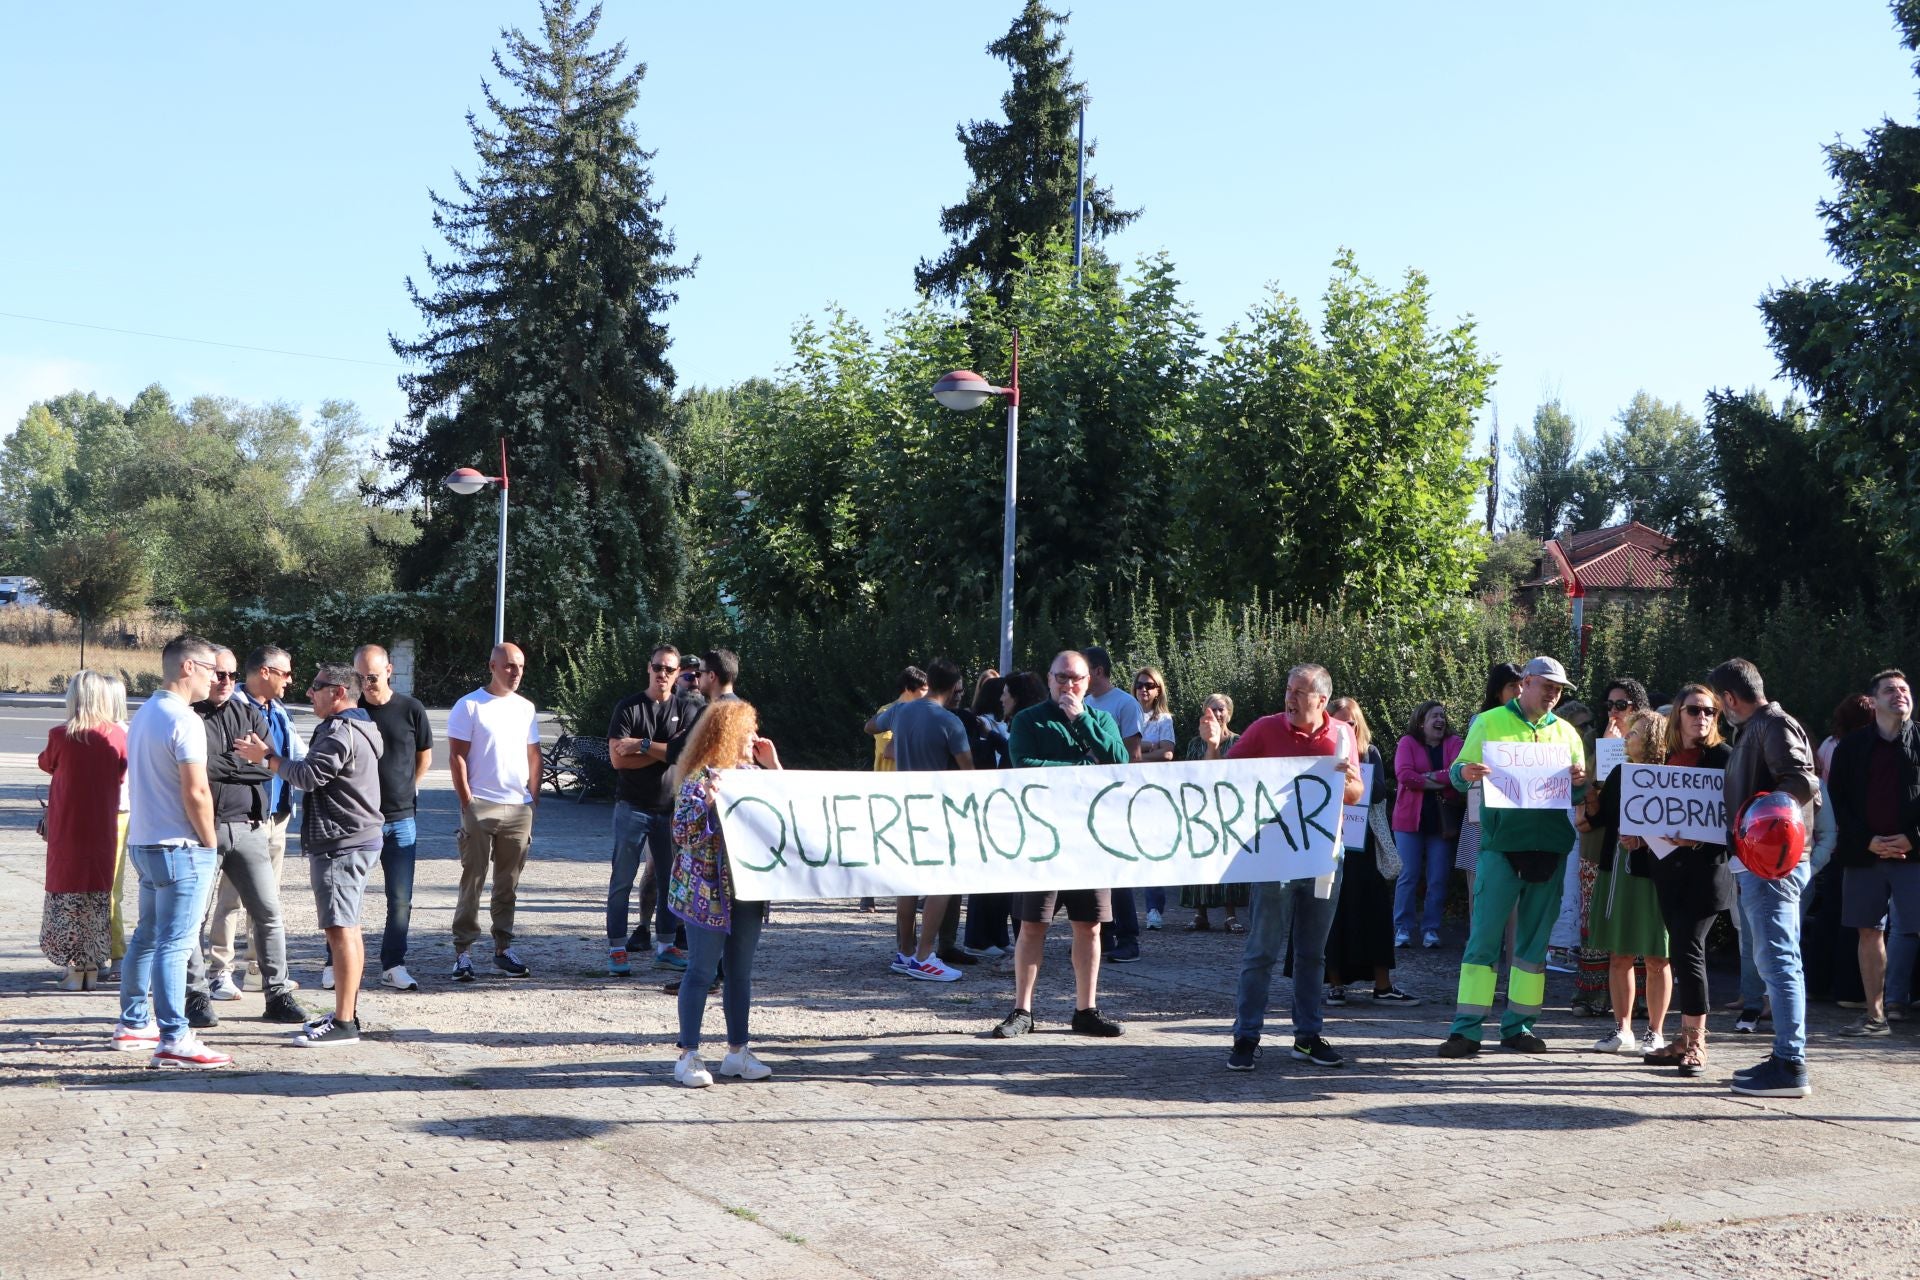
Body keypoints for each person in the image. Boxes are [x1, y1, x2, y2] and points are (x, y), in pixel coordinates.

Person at [1438, 656, 1589, 1059]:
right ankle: (1465, 1031)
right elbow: (1456, 772)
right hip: (1502, 848)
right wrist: (1465, 772)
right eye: (1548, 686)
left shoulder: (1568, 734)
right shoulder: (1488, 722)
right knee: (1483, 941)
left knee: (1533, 948)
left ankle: (1519, 1027)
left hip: (1551, 849)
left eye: (1559, 690)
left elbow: (1575, 795)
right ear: (1525, 683)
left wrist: (1579, 783)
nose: (1554, 695)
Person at [1224, 664, 1364, 1071]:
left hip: (1324, 858)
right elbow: (1225, 777)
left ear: (1321, 700)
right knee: (1262, 950)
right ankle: (1246, 1037)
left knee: (1312, 953)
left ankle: (1307, 1036)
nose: (1289, 697)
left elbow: (1355, 794)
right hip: (1274, 857)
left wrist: (1348, 780)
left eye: (1299, 692)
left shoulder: (1342, 734)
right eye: (1288, 689)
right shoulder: (1264, 729)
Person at [237, 662, 385, 1047]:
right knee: (347, 928)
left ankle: (344, 1023)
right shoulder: (360, 726)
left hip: (341, 842)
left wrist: (267, 757)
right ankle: (345, 1012)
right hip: (353, 839)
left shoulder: (340, 731)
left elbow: (307, 776)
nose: (309, 692)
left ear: (338, 692)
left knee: (340, 931)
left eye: (317, 686)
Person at [993, 650, 1129, 1039]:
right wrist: (1084, 771)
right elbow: (1024, 766)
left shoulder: (1100, 719)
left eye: (1076, 679)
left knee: (1089, 927)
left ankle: (1086, 1010)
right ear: (1049, 679)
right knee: (1032, 925)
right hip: (1042, 840)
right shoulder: (1028, 719)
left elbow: (1118, 764)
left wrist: (1080, 720)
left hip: (1090, 840)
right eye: (1061, 678)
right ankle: (1023, 1010)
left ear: (1090, 682)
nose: (1068, 685)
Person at [116, 633, 228, 1069]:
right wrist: (210, 840)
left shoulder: (145, 713)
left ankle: (133, 1022)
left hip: (146, 842)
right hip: (180, 846)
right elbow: (197, 790)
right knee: (174, 944)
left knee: (147, 936)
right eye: (211, 670)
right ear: (188, 668)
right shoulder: (185, 720)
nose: (216, 679)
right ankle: (174, 1035)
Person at [1710, 657, 1819, 1098]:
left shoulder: (1773, 725)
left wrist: (1762, 826)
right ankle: (1784, 1056)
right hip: (1767, 860)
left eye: (1719, 703)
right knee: (1777, 960)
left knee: (1778, 962)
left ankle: (1791, 1065)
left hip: (1772, 863)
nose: (1720, 711)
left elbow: (1801, 782)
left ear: (1731, 699)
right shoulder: (1761, 728)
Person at [183, 647, 304, 1029]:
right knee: (194, 917)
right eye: (218, 674)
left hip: (251, 826)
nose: (224, 682)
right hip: (202, 828)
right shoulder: (188, 717)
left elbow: (268, 769)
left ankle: (278, 993)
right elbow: (197, 769)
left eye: (231, 676)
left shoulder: (249, 713)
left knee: (268, 912)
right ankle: (197, 994)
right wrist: (242, 763)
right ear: (203, 673)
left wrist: (236, 765)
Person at [668, 699, 782, 1087]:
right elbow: (682, 836)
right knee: (701, 970)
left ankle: (738, 1052)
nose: (755, 736)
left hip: (746, 888)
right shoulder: (698, 780)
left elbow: (791, 815)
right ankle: (688, 1055)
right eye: (748, 730)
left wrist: (775, 767)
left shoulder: (755, 776)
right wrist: (711, 804)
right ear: (728, 734)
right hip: (705, 889)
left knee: (740, 973)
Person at [1639, 684, 1736, 1076]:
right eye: (1695, 710)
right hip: (1667, 870)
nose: (1703, 718)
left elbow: (1738, 818)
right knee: (1679, 952)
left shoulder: (1725, 758)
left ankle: (1696, 1042)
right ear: (1677, 713)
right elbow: (1643, 808)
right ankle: (1684, 1037)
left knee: (1688, 948)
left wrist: (1703, 835)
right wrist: (1635, 831)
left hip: (1706, 872)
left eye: (1710, 712)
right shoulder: (1660, 759)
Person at [866, 658, 973, 982]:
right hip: (935, 809)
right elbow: (970, 772)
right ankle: (925, 957)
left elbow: (871, 726)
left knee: (907, 882)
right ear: (954, 687)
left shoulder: (900, 710)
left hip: (902, 806)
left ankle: (906, 952)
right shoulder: (950, 722)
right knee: (943, 881)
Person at [1828, 669, 1920, 1038]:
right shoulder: (1852, 747)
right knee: (1870, 932)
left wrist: (1913, 838)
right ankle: (1875, 1016)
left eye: (1904, 689)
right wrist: (1867, 840)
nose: (1899, 694)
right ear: (1875, 699)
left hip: (1914, 856)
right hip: (1864, 855)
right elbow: (1838, 801)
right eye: (1890, 690)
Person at [447, 643, 543, 982]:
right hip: (481, 805)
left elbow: (533, 754)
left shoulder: (526, 708)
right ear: (492, 666)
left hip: (518, 807)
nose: (515, 672)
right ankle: (463, 952)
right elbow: (457, 756)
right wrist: (467, 801)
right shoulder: (470, 705)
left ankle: (503, 949)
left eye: (520, 666)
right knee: (472, 880)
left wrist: (533, 796)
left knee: (508, 884)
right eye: (508, 666)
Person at [211, 645, 302, 994]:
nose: (290, 681)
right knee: (231, 898)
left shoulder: (278, 711)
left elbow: (294, 758)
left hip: (277, 815)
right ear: (264, 672)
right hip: (245, 817)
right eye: (285, 673)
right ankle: (221, 971)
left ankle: (257, 969)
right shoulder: (233, 708)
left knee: (267, 900)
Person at [606, 644, 701, 976]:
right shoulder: (629, 708)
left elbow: (683, 755)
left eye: (670, 669)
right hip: (631, 807)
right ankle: (617, 949)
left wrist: (641, 745)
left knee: (669, 880)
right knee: (622, 879)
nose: (663, 674)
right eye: (658, 667)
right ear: (648, 668)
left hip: (669, 809)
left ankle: (666, 946)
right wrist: (665, 751)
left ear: (678, 674)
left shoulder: (687, 709)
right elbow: (618, 758)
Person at [1583, 710, 1673, 1056]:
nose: (1626, 739)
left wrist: (1646, 838)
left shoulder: (1672, 774)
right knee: (1619, 954)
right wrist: (1587, 793)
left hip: (1655, 875)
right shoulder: (1620, 773)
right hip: (1617, 871)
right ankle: (1622, 1030)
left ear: (1650, 738)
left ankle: (1656, 1032)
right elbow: (1598, 820)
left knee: (1658, 956)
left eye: (1633, 733)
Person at [1323, 697, 1418, 1006]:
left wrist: (1351, 773)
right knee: (1331, 916)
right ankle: (1335, 985)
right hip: (1328, 846)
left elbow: (1377, 791)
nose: (1347, 727)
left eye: (1352, 722)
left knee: (1375, 914)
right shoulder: (1319, 753)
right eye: (1341, 722)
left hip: (1365, 848)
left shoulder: (1370, 753)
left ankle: (1383, 986)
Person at [352, 644, 434, 992]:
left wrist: (409, 788)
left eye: (372, 676)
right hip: (358, 820)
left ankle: (393, 964)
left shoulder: (411, 709)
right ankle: (335, 962)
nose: (367, 683)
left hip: (401, 820)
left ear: (389, 671)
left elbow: (424, 756)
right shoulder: (351, 712)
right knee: (348, 894)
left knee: (400, 898)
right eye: (359, 677)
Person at [38, 670, 128, 990]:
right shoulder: (117, 736)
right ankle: (92, 964)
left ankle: (74, 970)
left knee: (69, 895)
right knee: (97, 895)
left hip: (68, 828)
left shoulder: (61, 735)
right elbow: (122, 769)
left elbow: (46, 763)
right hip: (103, 826)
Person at [963, 673, 1045, 958]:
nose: (1001, 698)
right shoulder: (1018, 723)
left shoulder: (1025, 723)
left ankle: (1002, 938)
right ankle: (986, 938)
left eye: (1006, 692)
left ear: (1018, 696)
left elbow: (1016, 759)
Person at [1083, 647, 1147, 963]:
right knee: (1094, 871)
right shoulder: (1083, 703)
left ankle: (1128, 938)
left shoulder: (1125, 703)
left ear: (1096, 671)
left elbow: (1133, 755)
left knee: (1117, 872)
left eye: (1081, 671)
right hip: (1086, 798)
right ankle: (1103, 935)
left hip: (1116, 798)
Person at [1392, 700, 1463, 949]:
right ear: (1421, 722)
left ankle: (1430, 929)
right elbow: (1404, 776)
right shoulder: (1407, 743)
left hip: (1442, 823)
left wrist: (1425, 778)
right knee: (1408, 875)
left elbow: (1457, 774)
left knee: (1438, 878)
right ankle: (1402, 928)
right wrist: (1440, 780)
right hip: (1409, 821)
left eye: (1442, 716)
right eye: (1434, 716)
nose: (1440, 720)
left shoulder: (1455, 744)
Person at [1181, 693, 1248, 932]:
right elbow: (1189, 774)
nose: (1218, 714)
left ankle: (1230, 915)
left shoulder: (1240, 741)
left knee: (1227, 862)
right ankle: (1201, 914)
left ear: (1229, 712)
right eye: (1212, 709)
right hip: (1200, 808)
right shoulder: (1194, 743)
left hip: (1228, 808)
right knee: (1199, 860)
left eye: (1221, 709)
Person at [1454, 662, 1524, 879]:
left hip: (1516, 814)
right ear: (1497, 691)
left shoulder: (1530, 722)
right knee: (1480, 881)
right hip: (1484, 810)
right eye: (1512, 686)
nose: (1519, 691)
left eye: (1522, 685)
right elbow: (1462, 767)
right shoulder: (1482, 721)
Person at [1133, 666, 1176, 929]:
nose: (1144, 690)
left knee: (1152, 850)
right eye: (1139, 685)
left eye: (1149, 685)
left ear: (1158, 689)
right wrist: (1151, 746)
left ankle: (1153, 909)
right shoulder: (1127, 714)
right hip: (1128, 788)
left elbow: (1168, 753)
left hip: (1153, 791)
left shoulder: (1164, 719)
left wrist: (1137, 753)